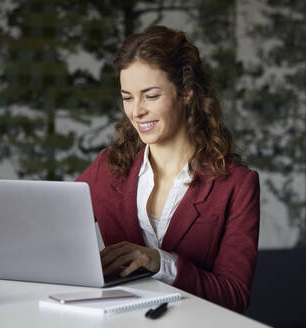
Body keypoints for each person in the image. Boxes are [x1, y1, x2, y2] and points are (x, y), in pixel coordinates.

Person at [76, 25, 260, 313]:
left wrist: (159, 261)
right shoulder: (107, 167)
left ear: (186, 93)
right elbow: (51, 229)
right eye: (127, 97)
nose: (136, 111)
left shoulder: (237, 184)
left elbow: (234, 297)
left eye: (150, 96)